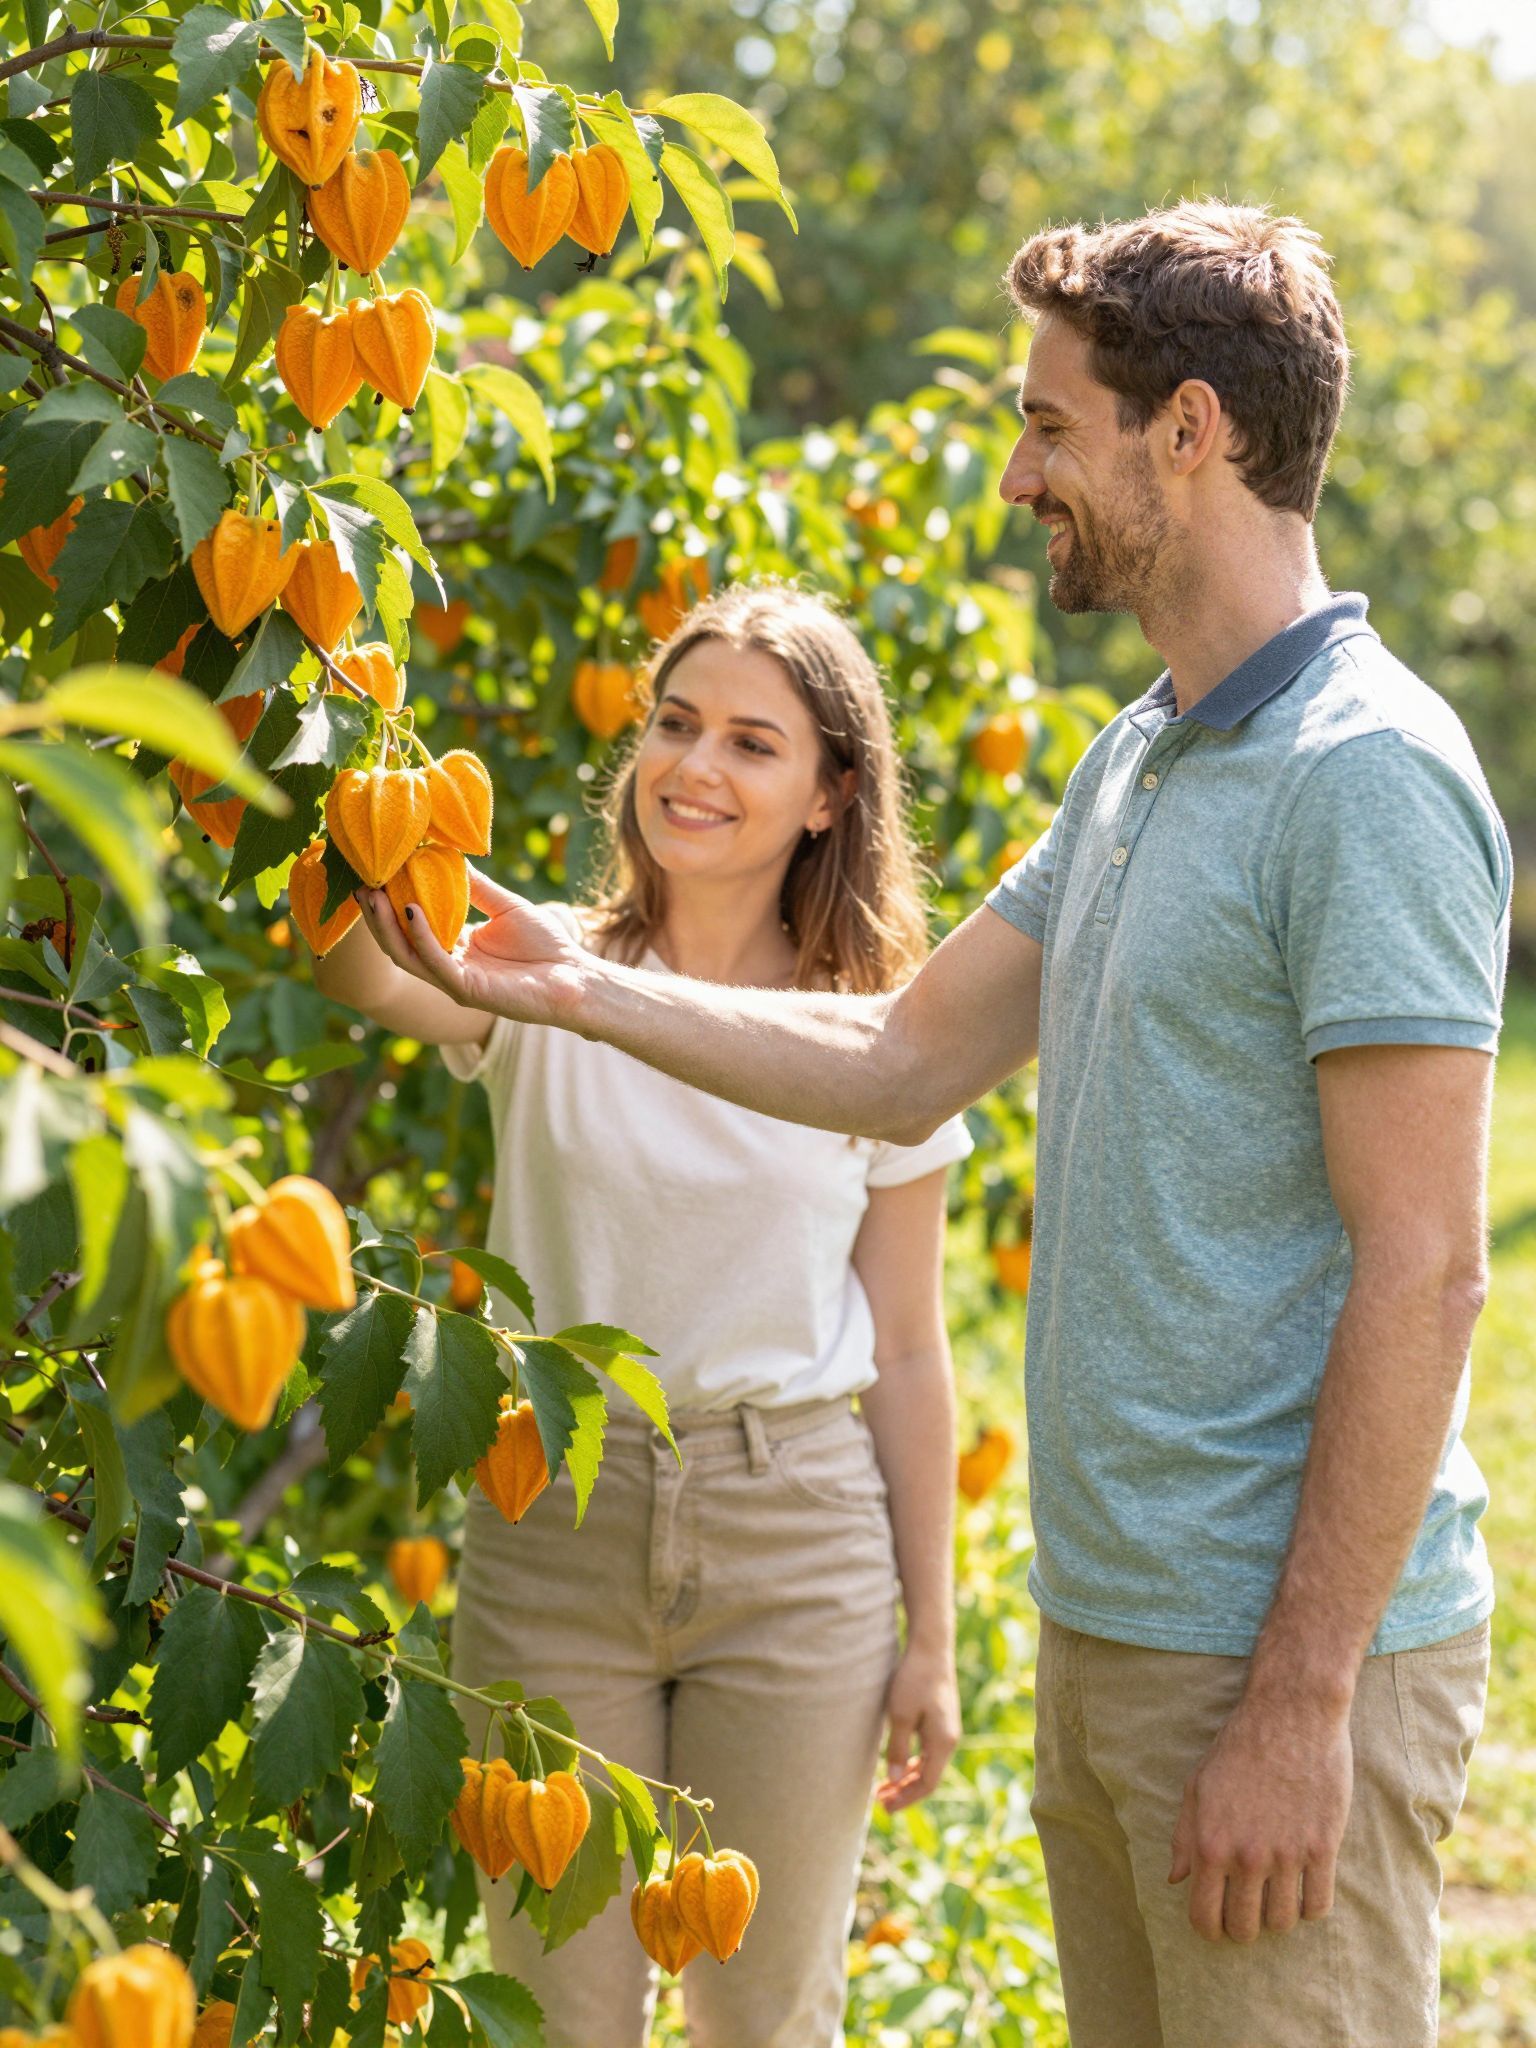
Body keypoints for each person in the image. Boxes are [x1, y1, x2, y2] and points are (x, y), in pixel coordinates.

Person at [359, 201, 1513, 2048]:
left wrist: (1299, 1707)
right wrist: (573, 989)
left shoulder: (1360, 778)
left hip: (1274, 1664)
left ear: (1191, 429)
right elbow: (901, 1057)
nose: (1011, 473)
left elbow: (1432, 1271)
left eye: (1051, 425)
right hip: (1117, 1626)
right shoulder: (1145, 754)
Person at [317, 583, 971, 2048]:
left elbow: (914, 1354)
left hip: (795, 1534)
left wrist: (933, 1631)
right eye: (676, 725)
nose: (696, 767)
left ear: (828, 795)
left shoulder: (879, 1042)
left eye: (753, 741)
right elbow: (359, 966)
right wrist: (341, 753)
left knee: (767, 2009)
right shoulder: (544, 972)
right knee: (557, 2004)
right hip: (556, 1520)